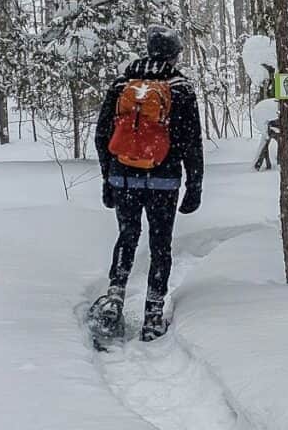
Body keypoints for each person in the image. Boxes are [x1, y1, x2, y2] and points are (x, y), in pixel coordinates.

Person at [90, 26, 204, 342]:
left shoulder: (122, 84)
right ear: (173, 54)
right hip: (164, 181)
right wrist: (195, 185)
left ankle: (115, 295)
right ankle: (153, 315)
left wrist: (107, 178)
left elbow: (102, 135)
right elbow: (192, 142)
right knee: (159, 244)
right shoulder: (180, 88)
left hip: (123, 175)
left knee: (127, 235)